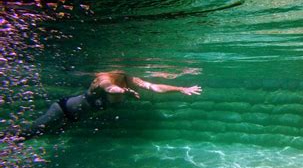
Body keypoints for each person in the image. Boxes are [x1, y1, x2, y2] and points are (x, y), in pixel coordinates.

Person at [21, 70, 202, 138]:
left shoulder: (130, 79)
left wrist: (180, 88)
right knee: (27, 135)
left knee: (44, 136)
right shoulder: (104, 77)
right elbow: (109, 88)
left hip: (74, 119)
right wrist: (123, 92)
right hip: (62, 109)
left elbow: (154, 87)